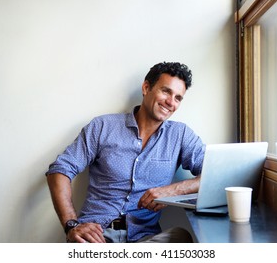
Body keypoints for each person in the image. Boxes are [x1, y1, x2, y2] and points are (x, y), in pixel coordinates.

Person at [46, 62, 205, 243]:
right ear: (146, 88)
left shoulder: (181, 135)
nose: (170, 102)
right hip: (97, 236)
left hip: (145, 239)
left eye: (178, 98)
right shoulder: (103, 127)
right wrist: (71, 225)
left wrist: (175, 190)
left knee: (179, 238)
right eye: (166, 91)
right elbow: (60, 170)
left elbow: (215, 173)